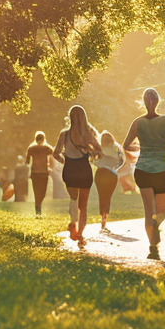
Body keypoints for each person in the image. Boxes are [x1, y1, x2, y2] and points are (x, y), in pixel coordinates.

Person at [124, 88, 165, 260]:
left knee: (149, 211)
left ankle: (152, 249)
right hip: (162, 170)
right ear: (158, 101)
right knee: (160, 212)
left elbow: (126, 145)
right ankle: (157, 224)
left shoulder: (137, 122)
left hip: (143, 170)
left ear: (143, 102)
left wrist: (141, 148)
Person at [55, 106, 102, 248]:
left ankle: (73, 222)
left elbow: (55, 153)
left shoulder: (64, 134)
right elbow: (99, 150)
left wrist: (65, 161)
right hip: (84, 169)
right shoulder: (87, 135)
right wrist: (92, 153)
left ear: (70, 117)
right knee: (83, 206)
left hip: (69, 169)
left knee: (73, 199)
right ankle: (80, 233)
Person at [94, 130, 126, 232]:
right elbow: (122, 161)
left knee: (101, 196)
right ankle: (104, 220)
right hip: (111, 174)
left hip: (100, 173)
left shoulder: (98, 148)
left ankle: (102, 221)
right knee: (107, 197)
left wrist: (99, 163)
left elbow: (93, 160)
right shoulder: (116, 148)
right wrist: (114, 167)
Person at [26, 131, 55, 216]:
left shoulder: (31, 148)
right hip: (44, 172)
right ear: (44, 139)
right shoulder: (47, 148)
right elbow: (52, 157)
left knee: (36, 191)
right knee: (43, 192)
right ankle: (38, 206)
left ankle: (37, 206)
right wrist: (51, 168)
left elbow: (27, 161)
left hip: (35, 173)